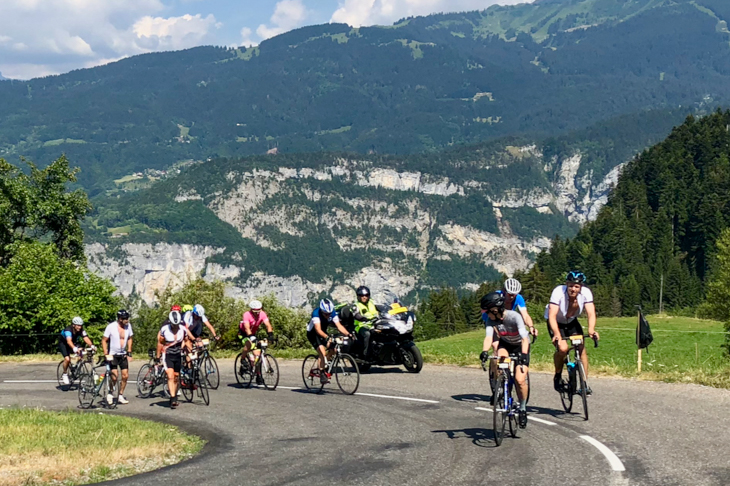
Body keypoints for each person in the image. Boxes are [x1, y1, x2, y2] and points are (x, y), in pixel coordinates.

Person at [480, 291, 531, 428]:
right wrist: (484, 351)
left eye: (487, 312)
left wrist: (524, 354)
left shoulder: (514, 317)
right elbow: (489, 337)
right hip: (506, 344)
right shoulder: (491, 320)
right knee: (499, 361)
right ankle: (501, 387)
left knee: (520, 380)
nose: (485, 315)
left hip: (520, 346)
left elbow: (525, 338)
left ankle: (523, 408)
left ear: (495, 310)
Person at [545, 271, 600, 395]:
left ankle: (584, 384)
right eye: (570, 286)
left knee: (581, 348)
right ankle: (558, 375)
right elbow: (552, 316)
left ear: (581, 287)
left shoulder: (586, 293)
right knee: (563, 349)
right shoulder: (558, 292)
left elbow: (591, 313)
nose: (573, 289)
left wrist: (591, 329)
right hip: (556, 322)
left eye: (576, 287)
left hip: (571, 321)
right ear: (566, 285)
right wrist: (557, 334)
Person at [306, 299, 353, 384]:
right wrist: (327, 337)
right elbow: (318, 330)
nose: (328, 316)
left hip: (323, 332)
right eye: (326, 314)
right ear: (322, 311)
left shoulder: (333, 312)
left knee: (334, 349)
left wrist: (348, 334)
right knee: (322, 352)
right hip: (313, 334)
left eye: (329, 314)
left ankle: (325, 364)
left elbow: (339, 326)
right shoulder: (316, 314)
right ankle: (322, 372)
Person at [158, 310, 192, 409]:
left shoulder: (183, 329)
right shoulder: (164, 329)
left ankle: (175, 394)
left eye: (177, 324)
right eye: (174, 325)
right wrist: (157, 356)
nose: (176, 327)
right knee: (170, 376)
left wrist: (190, 350)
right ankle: (172, 398)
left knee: (176, 377)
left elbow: (186, 340)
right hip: (167, 355)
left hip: (177, 355)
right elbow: (160, 343)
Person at [238, 300, 274, 385]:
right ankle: (242, 359)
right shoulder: (246, 315)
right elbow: (247, 328)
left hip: (253, 333)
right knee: (249, 344)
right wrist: (251, 337)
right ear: (251, 310)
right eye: (255, 312)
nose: (257, 313)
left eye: (259, 311)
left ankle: (258, 375)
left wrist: (271, 335)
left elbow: (268, 325)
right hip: (243, 334)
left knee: (258, 355)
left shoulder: (262, 314)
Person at [102, 309, 134, 405]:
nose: (127, 320)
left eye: (127, 318)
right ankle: (110, 393)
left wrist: (129, 349)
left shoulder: (128, 327)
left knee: (125, 376)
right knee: (115, 377)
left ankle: (120, 395)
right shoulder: (111, 327)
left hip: (122, 354)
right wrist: (106, 353)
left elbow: (130, 338)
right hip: (113, 355)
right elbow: (104, 340)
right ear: (120, 319)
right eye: (125, 319)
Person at [58, 317, 95, 385]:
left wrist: (91, 345)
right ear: (73, 325)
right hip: (63, 343)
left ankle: (75, 366)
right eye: (78, 325)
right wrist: (74, 348)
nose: (79, 327)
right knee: (67, 359)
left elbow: (85, 338)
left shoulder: (81, 330)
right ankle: (65, 374)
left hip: (73, 342)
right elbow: (69, 341)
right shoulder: (68, 330)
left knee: (81, 351)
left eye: (80, 325)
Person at [354, 286, 378, 357]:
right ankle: (365, 354)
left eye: (366, 295)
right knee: (367, 334)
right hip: (361, 326)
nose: (364, 297)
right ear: (358, 296)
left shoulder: (372, 302)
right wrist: (363, 318)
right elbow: (356, 314)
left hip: (373, 324)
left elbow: (381, 308)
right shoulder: (356, 306)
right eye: (362, 295)